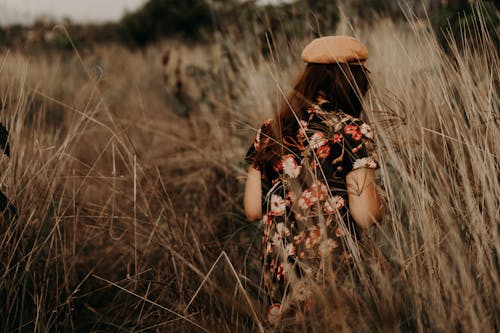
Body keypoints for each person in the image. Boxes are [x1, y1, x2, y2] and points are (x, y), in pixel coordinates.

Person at [243, 36, 385, 324]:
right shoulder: (351, 131)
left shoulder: (271, 128)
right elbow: (366, 214)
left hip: (279, 269)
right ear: (353, 82)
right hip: (330, 268)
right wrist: (382, 198)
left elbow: (253, 210)